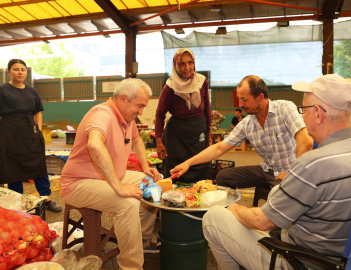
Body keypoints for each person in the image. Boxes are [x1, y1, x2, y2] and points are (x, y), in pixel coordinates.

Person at [202, 74, 351, 270]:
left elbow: (261, 221)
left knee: (213, 217)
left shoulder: (311, 164)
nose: (302, 117)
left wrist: (232, 209)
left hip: (298, 261)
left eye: (303, 110)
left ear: (318, 113)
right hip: (349, 259)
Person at [60, 79, 162, 270]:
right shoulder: (103, 114)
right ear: (123, 99)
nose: (141, 112)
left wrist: (145, 166)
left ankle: (143, 239)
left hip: (107, 177)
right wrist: (118, 187)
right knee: (127, 203)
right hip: (78, 184)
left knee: (151, 184)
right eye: (139, 106)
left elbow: (138, 141)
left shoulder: (126, 118)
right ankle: (131, 267)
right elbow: (95, 144)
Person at [171, 75, 313, 190]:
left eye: (244, 99)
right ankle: (227, 217)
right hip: (268, 170)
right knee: (223, 177)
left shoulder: (285, 108)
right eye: (239, 99)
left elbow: (306, 142)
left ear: (260, 97)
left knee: (280, 197)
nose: (240, 104)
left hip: (289, 172)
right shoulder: (247, 123)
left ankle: (269, 219)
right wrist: (188, 163)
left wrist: (293, 173)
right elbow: (219, 147)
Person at [0, 59, 62, 212]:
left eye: (22, 69)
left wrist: (39, 131)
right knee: (12, 168)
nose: (20, 72)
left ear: (26, 72)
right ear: (8, 72)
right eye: (16, 69)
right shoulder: (2, 90)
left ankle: (46, 199)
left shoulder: (32, 91)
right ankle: (18, 202)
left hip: (30, 131)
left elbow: (38, 111)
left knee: (39, 165)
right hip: (9, 134)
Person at [155, 48, 212, 183]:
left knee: (202, 163)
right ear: (176, 65)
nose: (187, 67)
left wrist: (209, 127)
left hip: (199, 132)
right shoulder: (170, 87)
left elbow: (207, 107)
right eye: (182, 64)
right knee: (176, 169)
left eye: (190, 62)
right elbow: (159, 114)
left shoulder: (202, 81)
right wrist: (159, 140)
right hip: (177, 137)